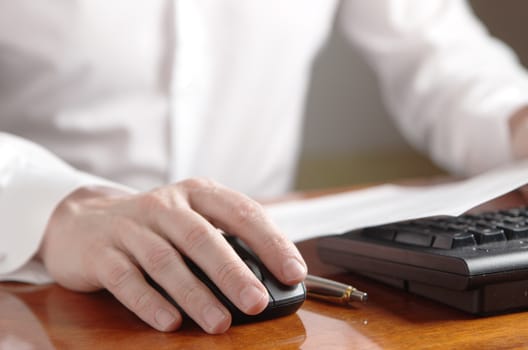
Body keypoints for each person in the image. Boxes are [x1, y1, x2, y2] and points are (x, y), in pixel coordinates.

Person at [1, 0, 528, 334]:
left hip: (265, 280)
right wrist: (58, 205)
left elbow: (435, 50)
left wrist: (516, 118)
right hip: (35, 277)